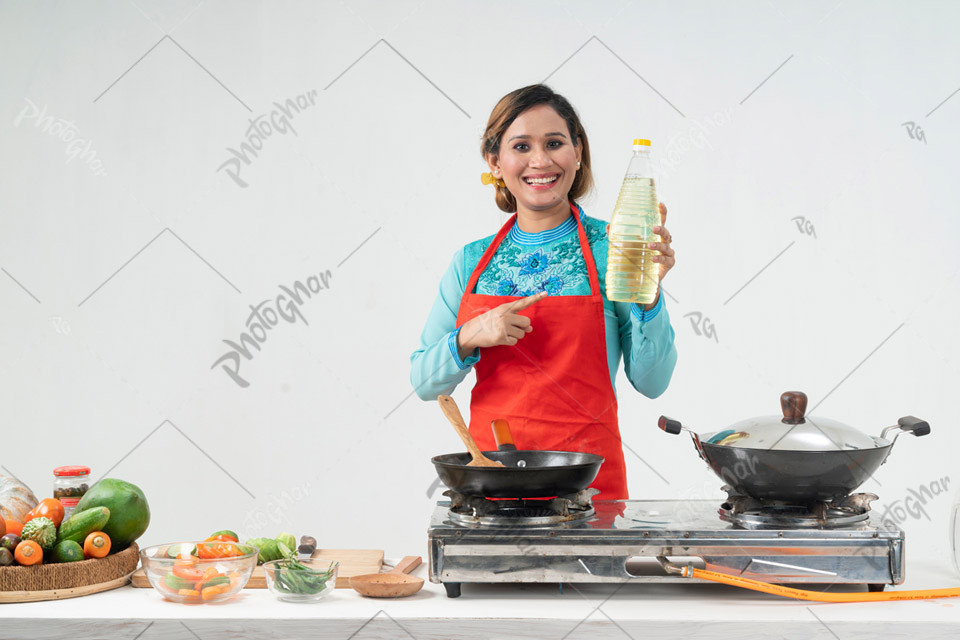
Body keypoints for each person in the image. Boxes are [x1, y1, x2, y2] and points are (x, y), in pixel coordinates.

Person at [410, 84, 677, 500]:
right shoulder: (470, 263)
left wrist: (648, 296)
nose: (540, 161)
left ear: (578, 152)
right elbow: (425, 382)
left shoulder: (617, 248)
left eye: (555, 143)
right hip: (491, 487)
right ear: (495, 162)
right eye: (521, 146)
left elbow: (652, 382)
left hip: (587, 494)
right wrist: (469, 336)